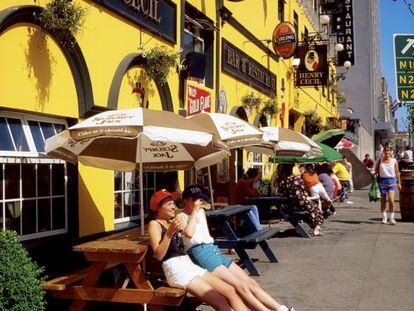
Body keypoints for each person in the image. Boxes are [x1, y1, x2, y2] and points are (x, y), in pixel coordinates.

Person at [181, 185, 294, 311]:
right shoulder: (182, 216)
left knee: (250, 283)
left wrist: (197, 211)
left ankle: (280, 308)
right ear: (185, 201)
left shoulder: (201, 212)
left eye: (200, 199)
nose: (199, 202)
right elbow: (188, 234)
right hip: (201, 253)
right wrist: (195, 211)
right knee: (240, 287)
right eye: (195, 199)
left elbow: (205, 235)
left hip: (212, 250)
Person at [147, 189, 249, 311]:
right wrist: (169, 234)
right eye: (169, 204)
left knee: (230, 291)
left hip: (187, 264)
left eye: (173, 203)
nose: (173, 207)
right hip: (176, 269)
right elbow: (158, 255)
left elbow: (188, 233)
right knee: (220, 302)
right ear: (158, 208)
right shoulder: (154, 224)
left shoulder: (171, 222)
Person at [277, 164, 324, 236]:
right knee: (313, 206)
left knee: (312, 206)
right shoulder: (298, 180)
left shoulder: (283, 182)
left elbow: (280, 192)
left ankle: (316, 226)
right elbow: (304, 192)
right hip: (301, 203)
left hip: (291, 205)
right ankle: (316, 226)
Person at [374, 145, 401, 225]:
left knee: (391, 201)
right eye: (385, 151)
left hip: (392, 182)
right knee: (383, 201)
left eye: (388, 150)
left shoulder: (394, 161)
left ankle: (392, 218)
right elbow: (376, 170)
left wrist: (399, 183)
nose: (387, 152)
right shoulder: (380, 161)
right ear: (383, 152)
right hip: (382, 182)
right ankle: (384, 217)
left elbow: (397, 172)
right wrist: (375, 175)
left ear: (391, 152)